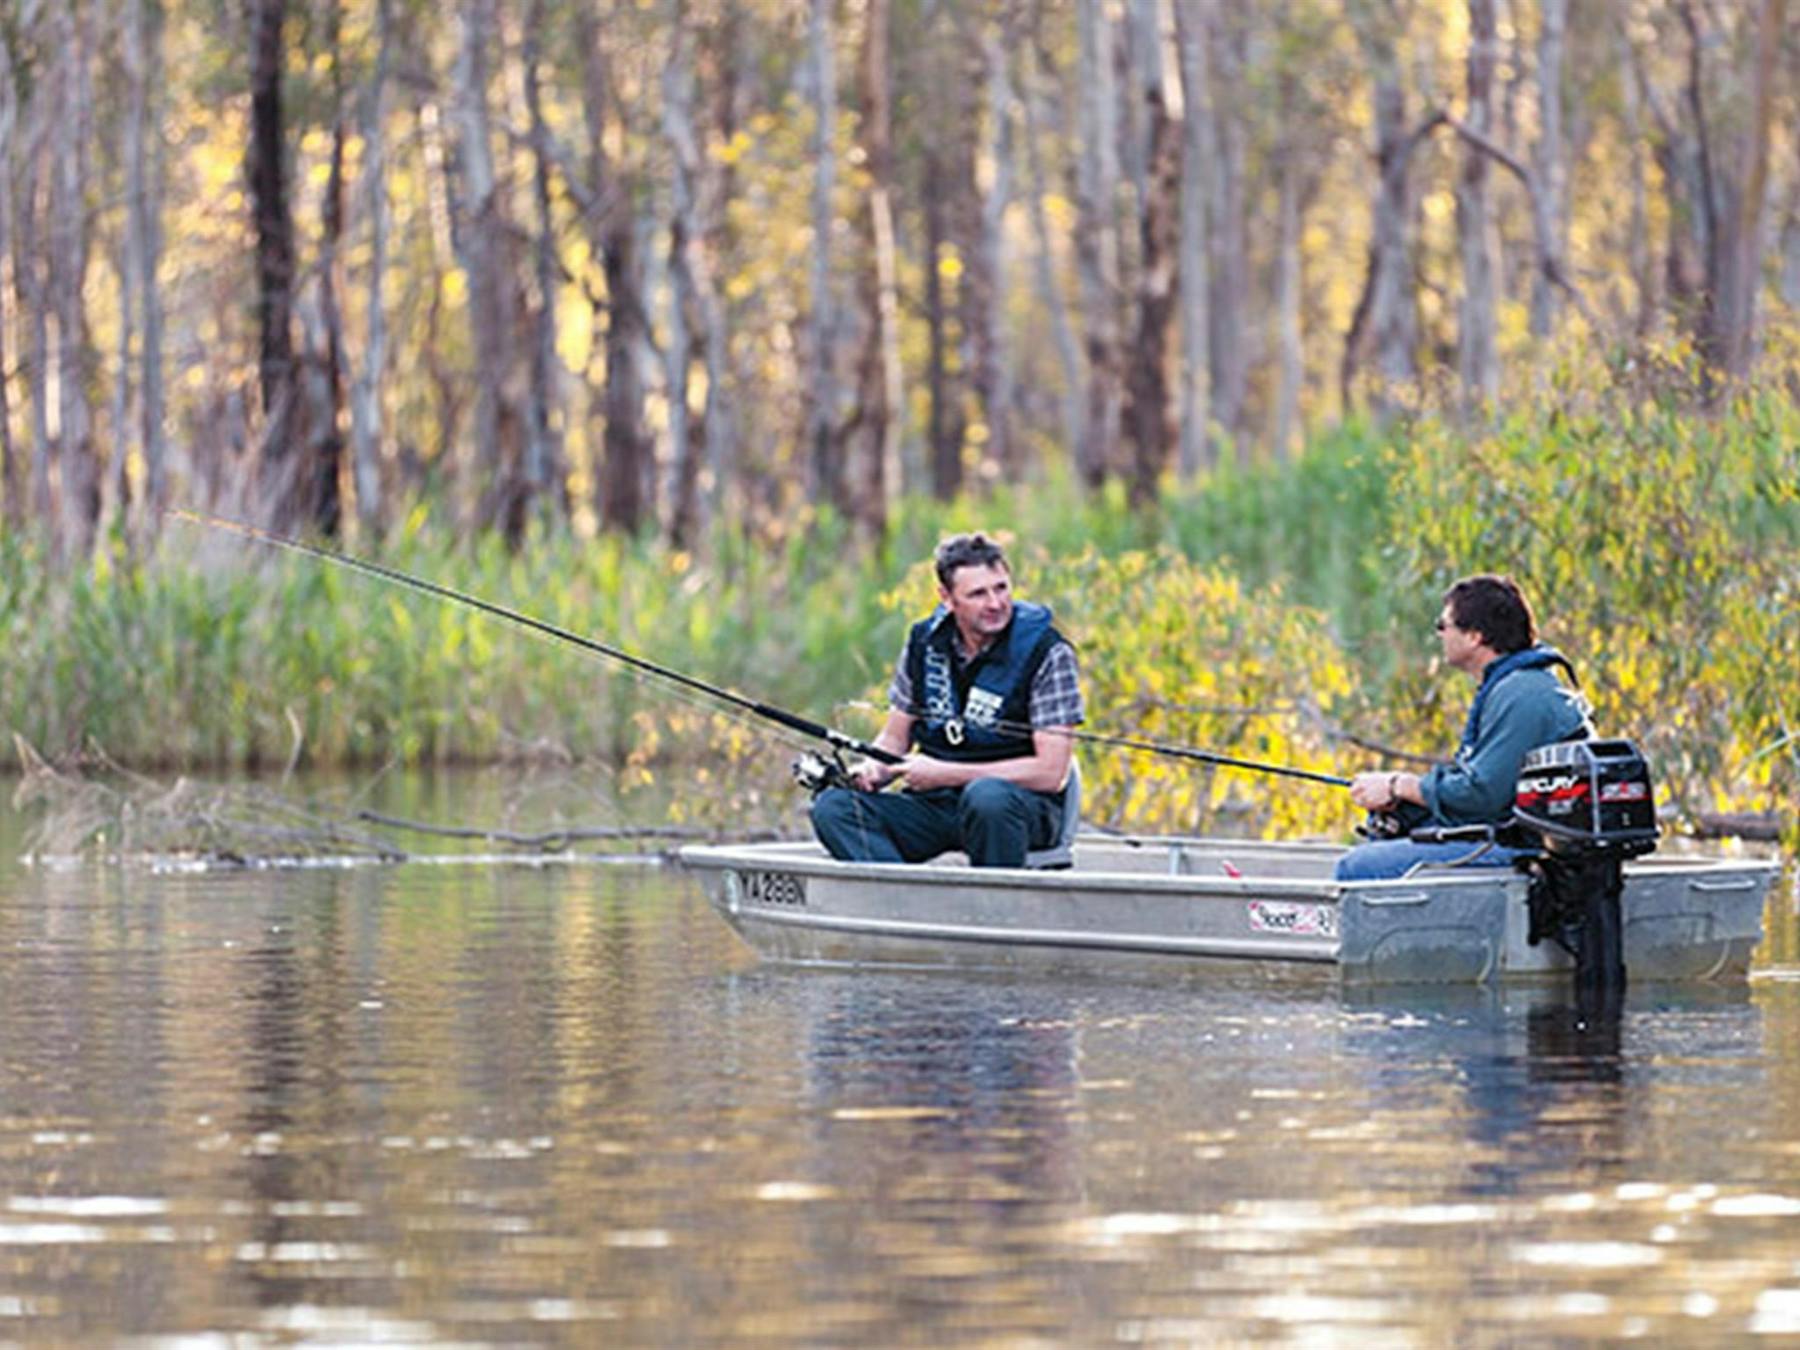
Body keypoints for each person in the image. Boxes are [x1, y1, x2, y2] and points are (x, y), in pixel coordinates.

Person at [810, 533, 1083, 868]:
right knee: (833, 808)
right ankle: (903, 906)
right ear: (947, 598)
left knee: (987, 797)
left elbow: (1051, 772)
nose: (996, 603)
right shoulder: (924, 641)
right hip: (937, 804)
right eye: (978, 594)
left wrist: (949, 773)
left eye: (1001, 588)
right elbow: (895, 737)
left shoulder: (1048, 652)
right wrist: (872, 770)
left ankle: (994, 912)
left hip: (1018, 809)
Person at [1335, 573, 1592, 882]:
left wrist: (1398, 785)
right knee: (1390, 839)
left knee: (1358, 867)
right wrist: (1406, 805)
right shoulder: (1516, 685)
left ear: (1474, 636)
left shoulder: (1523, 695)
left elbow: (1483, 796)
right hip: (1516, 838)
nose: (1440, 635)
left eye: (1443, 626)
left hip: (1524, 849)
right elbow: (1483, 787)